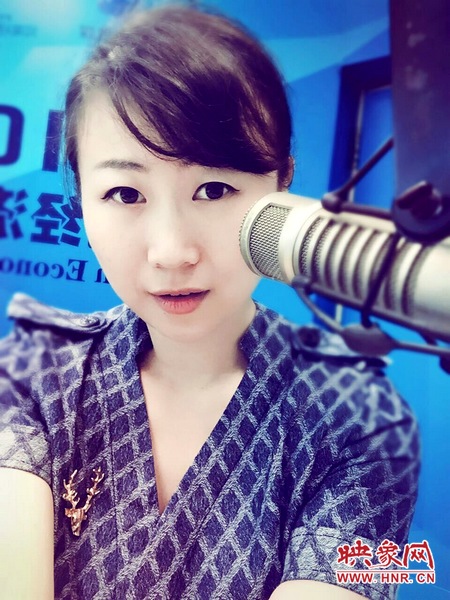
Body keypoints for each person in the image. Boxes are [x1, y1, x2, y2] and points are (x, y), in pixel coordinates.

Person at [0, 4, 419, 599]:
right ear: (82, 201)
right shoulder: (30, 371)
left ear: (282, 185)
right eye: (125, 193)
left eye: (215, 188)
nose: (172, 252)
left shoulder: (367, 421)